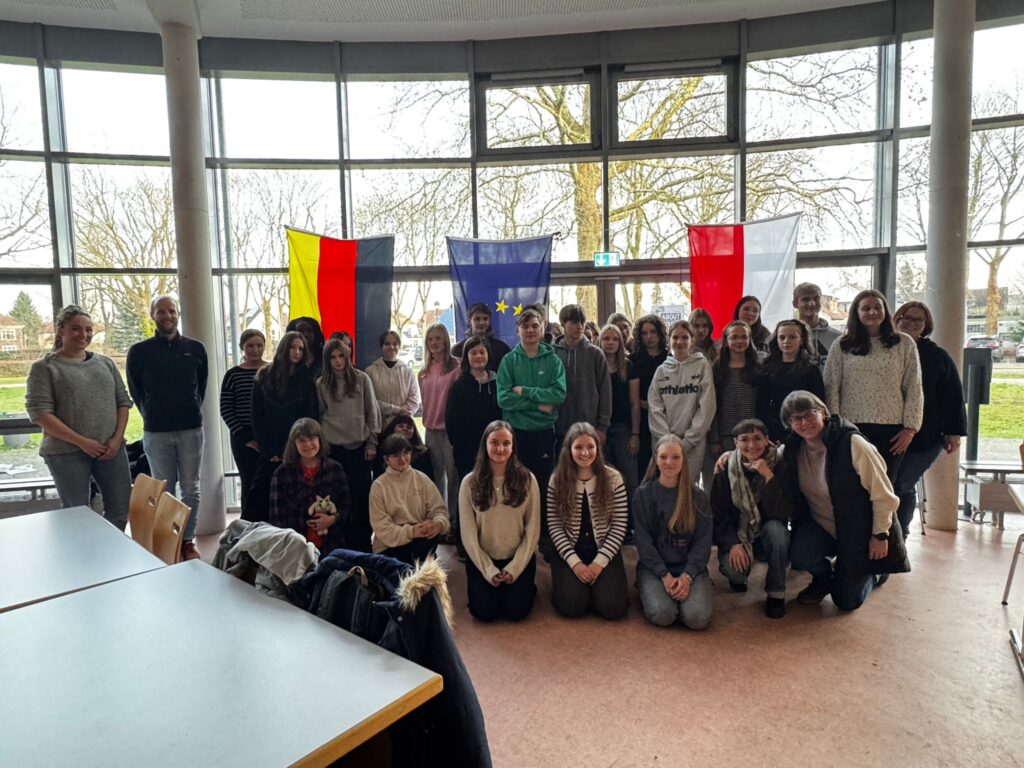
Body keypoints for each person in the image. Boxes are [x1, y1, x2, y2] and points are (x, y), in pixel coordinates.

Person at [781, 390, 909, 611]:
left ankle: (876, 573)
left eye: (809, 414)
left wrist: (880, 534)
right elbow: (763, 454)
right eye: (796, 418)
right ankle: (823, 578)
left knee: (846, 601)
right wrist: (730, 456)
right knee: (800, 553)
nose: (804, 422)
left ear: (823, 412)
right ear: (789, 424)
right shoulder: (792, 448)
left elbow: (884, 495)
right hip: (822, 526)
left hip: (859, 531)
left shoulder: (852, 443)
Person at [26, 305, 132, 531]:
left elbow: (123, 402)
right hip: (66, 453)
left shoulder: (106, 363)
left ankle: (111, 551)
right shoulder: (44, 368)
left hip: (110, 451)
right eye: (75, 328)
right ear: (61, 330)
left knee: (120, 510)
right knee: (77, 515)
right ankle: (83, 553)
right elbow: (40, 413)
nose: (83, 334)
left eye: (88, 329)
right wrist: (82, 442)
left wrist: (116, 440)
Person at [126, 295, 207, 560]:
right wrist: (153, 413)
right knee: (164, 489)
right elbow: (136, 391)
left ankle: (186, 541)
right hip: (156, 431)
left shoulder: (196, 349)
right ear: (152, 315)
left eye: (171, 311)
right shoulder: (139, 352)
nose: (167, 316)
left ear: (178, 313)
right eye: (161, 312)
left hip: (191, 429)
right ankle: (166, 542)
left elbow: (200, 387)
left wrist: (188, 410)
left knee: (191, 488)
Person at [824, 289, 923, 483]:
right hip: (851, 428)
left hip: (893, 432)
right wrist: (835, 425)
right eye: (866, 308)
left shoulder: (904, 343)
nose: (872, 312)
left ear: (885, 310)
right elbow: (831, 386)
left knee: (885, 487)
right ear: (856, 313)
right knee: (852, 487)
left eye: (878, 307)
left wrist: (910, 429)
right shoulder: (842, 344)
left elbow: (914, 387)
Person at [891, 301, 967, 537]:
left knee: (902, 484)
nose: (912, 323)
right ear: (897, 319)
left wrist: (954, 432)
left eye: (918, 320)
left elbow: (952, 396)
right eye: (907, 317)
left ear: (926, 325)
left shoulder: (937, 356)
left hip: (926, 436)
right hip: (888, 433)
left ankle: (900, 536)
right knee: (886, 485)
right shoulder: (886, 351)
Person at [459, 421, 541, 622]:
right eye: (494, 443)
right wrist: (488, 569)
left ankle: (525, 586)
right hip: (484, 558)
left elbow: (533, 529)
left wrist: (515, 568)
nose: (500, 449)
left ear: (513, 447)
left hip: (517, 558)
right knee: (483, 613)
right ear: (485, 445)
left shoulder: (528, 480)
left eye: (506, 443)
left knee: (517, 612)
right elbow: (468, 535)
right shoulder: (469, 482)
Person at [710, 419, 793, 619]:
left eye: (757, 438)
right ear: (735, 442)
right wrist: (733, 543)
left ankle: (776, 592)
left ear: (767, 440)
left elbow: (782, 512)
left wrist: (768, 476)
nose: (751, 445)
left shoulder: (780, 465)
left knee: (776, 532)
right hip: (739, 533)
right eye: (744, 439)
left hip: (767, 531)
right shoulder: (726, 466)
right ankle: (739, 577)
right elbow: (718, 513)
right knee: (734, 571)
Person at [546, 422, 630, 619]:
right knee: (571, 606)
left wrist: (598, 564)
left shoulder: (613, 478)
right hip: (569, 549)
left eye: (590, 447)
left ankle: (596, 589)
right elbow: (554, 525)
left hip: (603, 547)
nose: (585, 453)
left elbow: (619, 525)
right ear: (569, 449)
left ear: (597, 448)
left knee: (614, 608)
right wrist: (575, 563)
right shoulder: (557, 479)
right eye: (578, 447)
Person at [633, 433, 713, 629]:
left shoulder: (699, 497)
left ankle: (692, 590)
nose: (669, 462)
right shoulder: (642, 495)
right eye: (663, 457)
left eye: (676, 457)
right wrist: (663, 575)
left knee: (696, 618)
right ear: (655, 459)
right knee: (663, 615)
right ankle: (647, 586)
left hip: (689, 568)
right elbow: (643, 541)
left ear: (684, 460)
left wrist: (688, 576)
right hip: (654, 569)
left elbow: (703, 542)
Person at [496, 307, 567, 527]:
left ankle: (543, 532)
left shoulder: (553, 360)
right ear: (517, 330)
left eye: (535, 326)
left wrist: (525, 391)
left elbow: (559, 394)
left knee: (543, 484)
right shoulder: (508, 361)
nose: (530, 330)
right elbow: (504, 399)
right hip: (516, 433)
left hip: (543, 433)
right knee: (515, 484)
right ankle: (517, 530)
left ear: (542, 328)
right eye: (525, 326)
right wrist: (539, 405)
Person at [317, 337, 381, 551]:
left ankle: (362, 543)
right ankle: (339, 543)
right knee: (335, 498)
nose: (338, 361)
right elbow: (320, 414)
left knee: (360, 497)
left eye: (341, 356)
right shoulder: (322, 384)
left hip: (359, 448)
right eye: (333, 357)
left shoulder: (362, 379)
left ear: (348, 356)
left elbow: (372, 412)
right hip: (333, 449)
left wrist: (372, 443)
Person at [248, 331, 319, 522]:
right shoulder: (264, 375)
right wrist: (266, 447)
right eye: (293, 347)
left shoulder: (307, 379)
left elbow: (311, 417)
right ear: (283, 348)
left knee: (294, 502)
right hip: (270, 447)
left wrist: (302, 448)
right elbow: (257, 415)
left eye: (301, 349)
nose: (297, 352)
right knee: (259, 499)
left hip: (297, 447)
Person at [647, 320, 716, 484]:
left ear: (692, 340)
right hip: (663, 442)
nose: (679, 342)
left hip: (693, 443)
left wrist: (688, 441)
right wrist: (667, 440)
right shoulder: (661, 371)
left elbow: (707, 406)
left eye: (684, 337)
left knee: (688, 487)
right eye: (675, 337)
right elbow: (654, 408)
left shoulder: (702, 366)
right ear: (669, 340)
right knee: (666, 486)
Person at [269, 418, 350, 554]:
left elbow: (347, 508)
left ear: (320, 440)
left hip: (332, 544)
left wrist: (332, 519)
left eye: (312, 439)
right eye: (301, 440)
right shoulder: (281, 473)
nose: (307, 444)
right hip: (294, 547)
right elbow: (276, 518)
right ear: (294, 444)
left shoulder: (335, 469)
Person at [369, 434, 450, 564]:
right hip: (390, 544)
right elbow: (382, 528)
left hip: (421, 538)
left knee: (425, 547)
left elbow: (439, 511)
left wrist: (438, 524)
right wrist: (411, 532)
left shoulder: (422, 479)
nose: (402, 459)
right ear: (386, 459)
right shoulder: (378, 486)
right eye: (396, 455)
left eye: (406, 453)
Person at [552, 304, 612, 454]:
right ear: (563, 323)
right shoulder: (552, 354)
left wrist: (603, 427)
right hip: (559, 429)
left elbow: (605, 392)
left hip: (589, 428)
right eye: (574, 322)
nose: (579, 326)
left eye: (582, 322)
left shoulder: (595, 354)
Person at [418, 323, 461, 523]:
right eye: (430, 339)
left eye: (438, 338)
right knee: (436, 476)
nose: (434, 342)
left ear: (445, 340)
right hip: (431, 429)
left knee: (453, 475)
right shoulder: (423, 372)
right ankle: (439, 518)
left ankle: (452, 520)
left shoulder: (457, 368)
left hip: (450, 430)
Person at [220, 329, 266, 512]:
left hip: (267, 436)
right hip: (242, 438)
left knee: (268, 481)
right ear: (242, 347)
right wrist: (246, 438)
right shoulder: (233, 375)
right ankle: (247, 521)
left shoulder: (271, 371)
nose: (255, 349)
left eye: (259, 345)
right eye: (250, 345)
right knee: (248, 481)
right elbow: (226, 408)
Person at [446, 336, 503, 483]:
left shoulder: (498, 384)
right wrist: (463, 446)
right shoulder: (458, 387)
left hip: (495, 452)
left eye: (482, 352)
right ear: (467, 357)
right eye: (473, 352)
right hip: (467, 455)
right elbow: (452, 422)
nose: (478, 356)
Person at [756, 320, 825, 441]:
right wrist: (765, 430)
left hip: (805, 427)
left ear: (801, 340)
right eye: (782, 337)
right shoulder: (767, 368)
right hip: (775, 428)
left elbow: (819, 402)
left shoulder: (811, 369)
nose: (786, 341)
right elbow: (761, 405)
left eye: (792, 337)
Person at [598, 324, 640, 517]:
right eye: (606, 338)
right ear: (600, 341)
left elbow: (634, 403)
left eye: (615, 339)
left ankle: (631, 523)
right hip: (600, 428)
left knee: (629, 479)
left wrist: (635, 435)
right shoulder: (595, 365)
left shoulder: (628, 366)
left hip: (624, 428)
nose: (610, 342)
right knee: (604, 478)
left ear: (621, 342)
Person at [710, 320, 760, 459]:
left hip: (754, 434)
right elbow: (711, 405)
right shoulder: (717, 369)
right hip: (726, 435)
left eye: (744, 337)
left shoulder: (758, 367)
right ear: (726, 341)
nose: (739, 341)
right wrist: (714, 439)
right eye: (734, 337)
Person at [629, 314, 668, 479]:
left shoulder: (669, 359)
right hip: (641, 418)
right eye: (644, 333)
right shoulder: (633, 360)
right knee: (643, 467)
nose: (649, 337)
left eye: (653, 332)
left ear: (660, 334)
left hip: (665, 417)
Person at [364, 329, 420, 428]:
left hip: (403, 427)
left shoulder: (408, 372)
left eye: (395, 344)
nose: (391, 347)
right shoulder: (370, 372)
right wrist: (396, 410)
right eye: (387, 344)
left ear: (399, 346)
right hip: (379, 427)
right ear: (381, 346)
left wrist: (399, 417)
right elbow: (370, 401)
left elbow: (414, 401)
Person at [792, 282, 841, 371]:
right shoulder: (785, 337)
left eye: (816, 298)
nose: (812, 304)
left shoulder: (838, 338)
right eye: (805, 299)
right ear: (795, 303)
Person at [451, 302, 511, 373]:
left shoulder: (502, 349)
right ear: (469, 321)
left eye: (485, 319)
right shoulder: (457, 350)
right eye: (477, 319)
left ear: (489, 321)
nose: (481, 322)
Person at [373, 413, 434, 479]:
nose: (405, 429)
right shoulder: (382, 450)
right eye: (401, 426)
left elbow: (428, 477)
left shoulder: (422, 453)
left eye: (409, 427)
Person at [286, 316, 325, 382]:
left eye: (309, 330)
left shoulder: (324, 356)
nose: (306, 334)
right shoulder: (286, 360)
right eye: (300, 331)